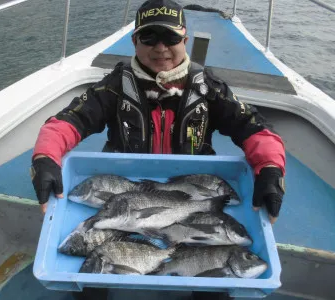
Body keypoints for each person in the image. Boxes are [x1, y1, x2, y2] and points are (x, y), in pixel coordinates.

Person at [30, 0, 286, 299]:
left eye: (171, 38)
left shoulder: (209, 88)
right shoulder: (114, 86)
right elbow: (67, 122)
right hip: (127, 193)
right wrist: (45, 159)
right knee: (94, 272)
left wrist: (270, 169)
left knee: (212, 283)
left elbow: (254, 128)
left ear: (185, 40)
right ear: (135, 41)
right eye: (149, 37)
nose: (161, 47)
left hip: (193, 193)